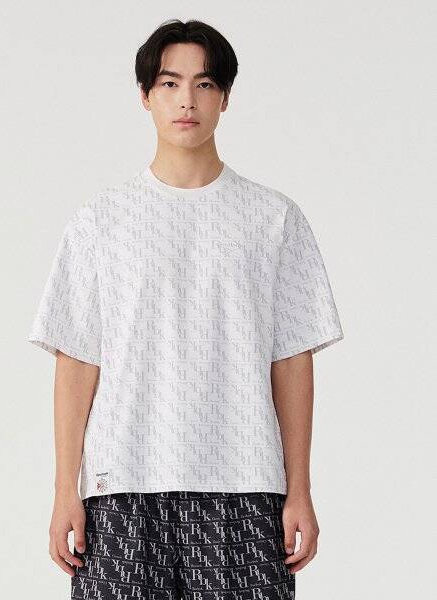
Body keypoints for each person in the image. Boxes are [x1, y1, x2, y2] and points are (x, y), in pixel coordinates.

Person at [28, 18, 344, 600]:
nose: (187, 101)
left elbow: (291, 359)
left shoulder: (273, 219)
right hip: (121, 484)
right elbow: (77, 359)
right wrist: (63, 491)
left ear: (225, 97)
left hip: (245, 484)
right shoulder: (101, 220)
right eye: (170, 84)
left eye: (204, 84)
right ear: (145, 96)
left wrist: (299, 489)